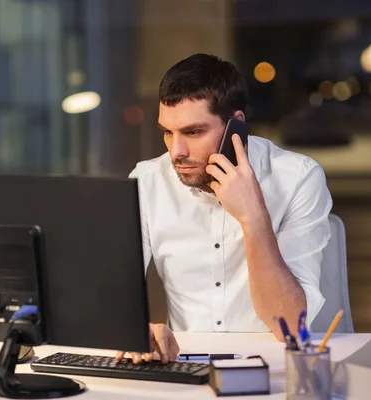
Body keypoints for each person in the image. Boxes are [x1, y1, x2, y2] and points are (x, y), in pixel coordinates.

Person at [116, 53, 332, 365]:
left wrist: (252, 215)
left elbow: (290, 327)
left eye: (193, 132)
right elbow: (113, 292)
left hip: (275, 364)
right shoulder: (148, 180)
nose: (176, 151)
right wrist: (137, 330)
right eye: (167, 131)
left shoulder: (298, 178)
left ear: (236, 126)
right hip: (182, 365)